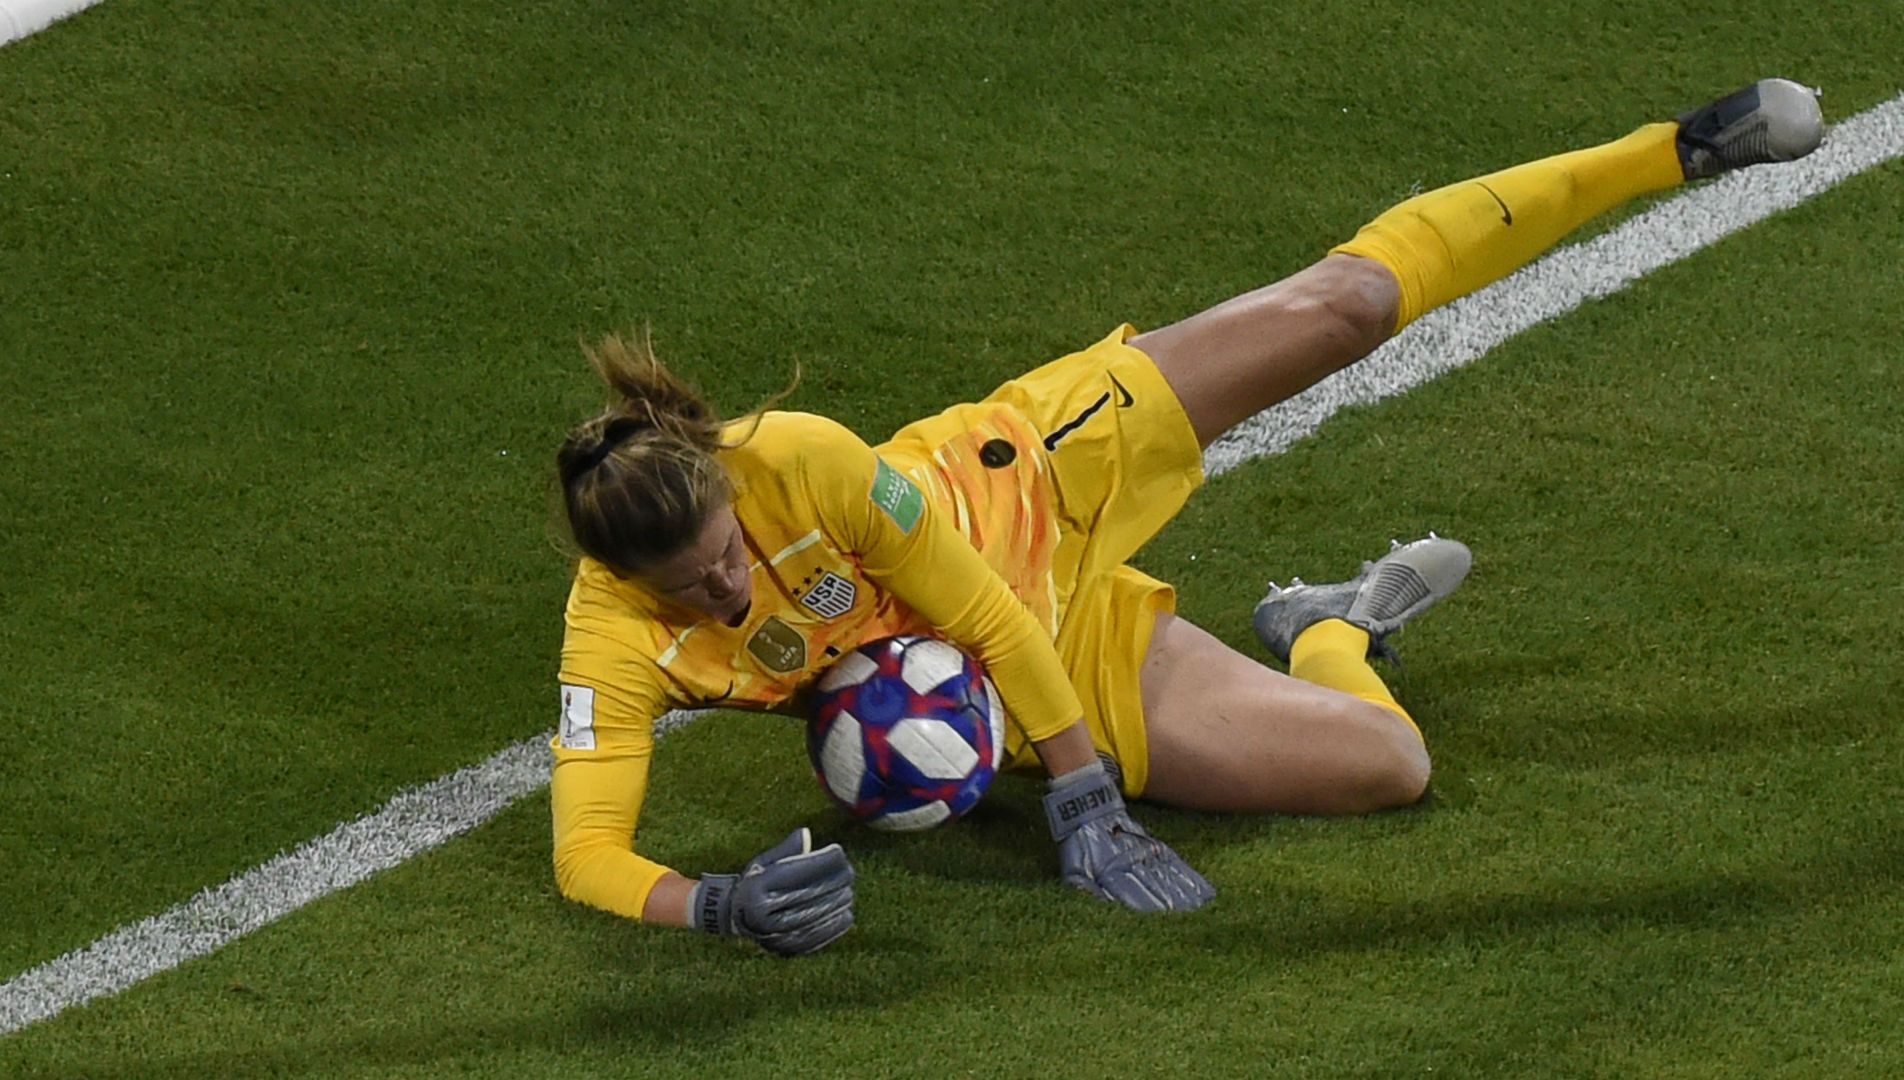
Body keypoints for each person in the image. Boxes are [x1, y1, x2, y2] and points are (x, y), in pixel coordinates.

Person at [549, 79, 1824, 954]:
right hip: (1026, 663)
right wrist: (710, 905)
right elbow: (587, 850)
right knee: (1392, 769)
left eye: (724, 560)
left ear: (724, 483)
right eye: (687, 595)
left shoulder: (801, 461)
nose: (722, 597)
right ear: (621, 583)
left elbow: (982, 602)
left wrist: (1084, 803)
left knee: (1349, 309)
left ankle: (1675, 145)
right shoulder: (612, 641)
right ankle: (1334, 632)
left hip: (1040, 475)